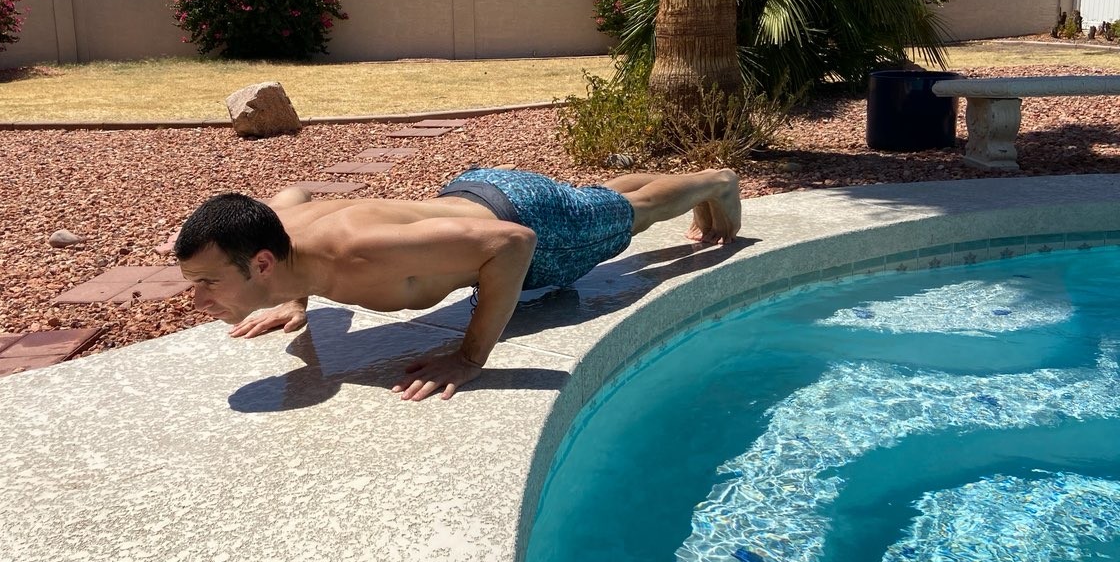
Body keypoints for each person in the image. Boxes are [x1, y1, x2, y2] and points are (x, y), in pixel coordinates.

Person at [175, 167, 741, 401]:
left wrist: (469, 358)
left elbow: (513, 244)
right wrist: (293, 301)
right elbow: (293, 197)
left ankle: (719, 180)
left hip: (520, 217)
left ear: (263, 261)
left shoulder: (355, 251)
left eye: (207, 282)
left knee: (629, 214)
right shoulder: (280, 238)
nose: (198, 299)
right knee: (595, 201)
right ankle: (621, 195)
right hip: (474, 195)